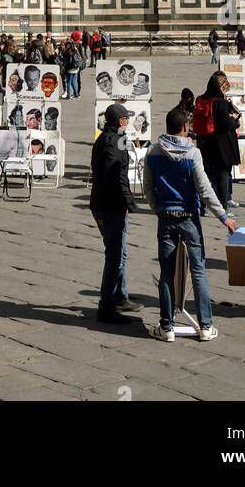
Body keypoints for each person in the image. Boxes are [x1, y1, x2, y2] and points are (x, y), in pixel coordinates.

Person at [144, 107, 237, 341]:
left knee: (166, 274)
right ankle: (205, 326)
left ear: (167, 126)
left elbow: (147, 188)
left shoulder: (153, 152)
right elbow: (205, 190)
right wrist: (224, 217)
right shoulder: (193, 153)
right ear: (185, 127)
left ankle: (167, 327)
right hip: (189, 218)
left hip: (166, 216)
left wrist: (158, 209)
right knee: (198, 272)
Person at [89, 102, 142, 323]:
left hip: (105, 202)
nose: (128, 121)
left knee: (120, 252)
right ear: (119, 121)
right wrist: (127, 202)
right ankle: (106, 306)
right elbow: (114, 175)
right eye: (126, 118)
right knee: (114, 255)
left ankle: (119, 296)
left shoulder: (109, 137)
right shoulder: (112, 141)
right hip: (110, 205)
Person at [193, 73, 240, 212]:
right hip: (221, 144)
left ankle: (201, 206)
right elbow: (227, 123)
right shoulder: (219, 101)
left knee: (205, 175)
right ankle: (222, 207)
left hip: (204, 141)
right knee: (222, 176)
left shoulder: (200, 99)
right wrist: (235, 120)